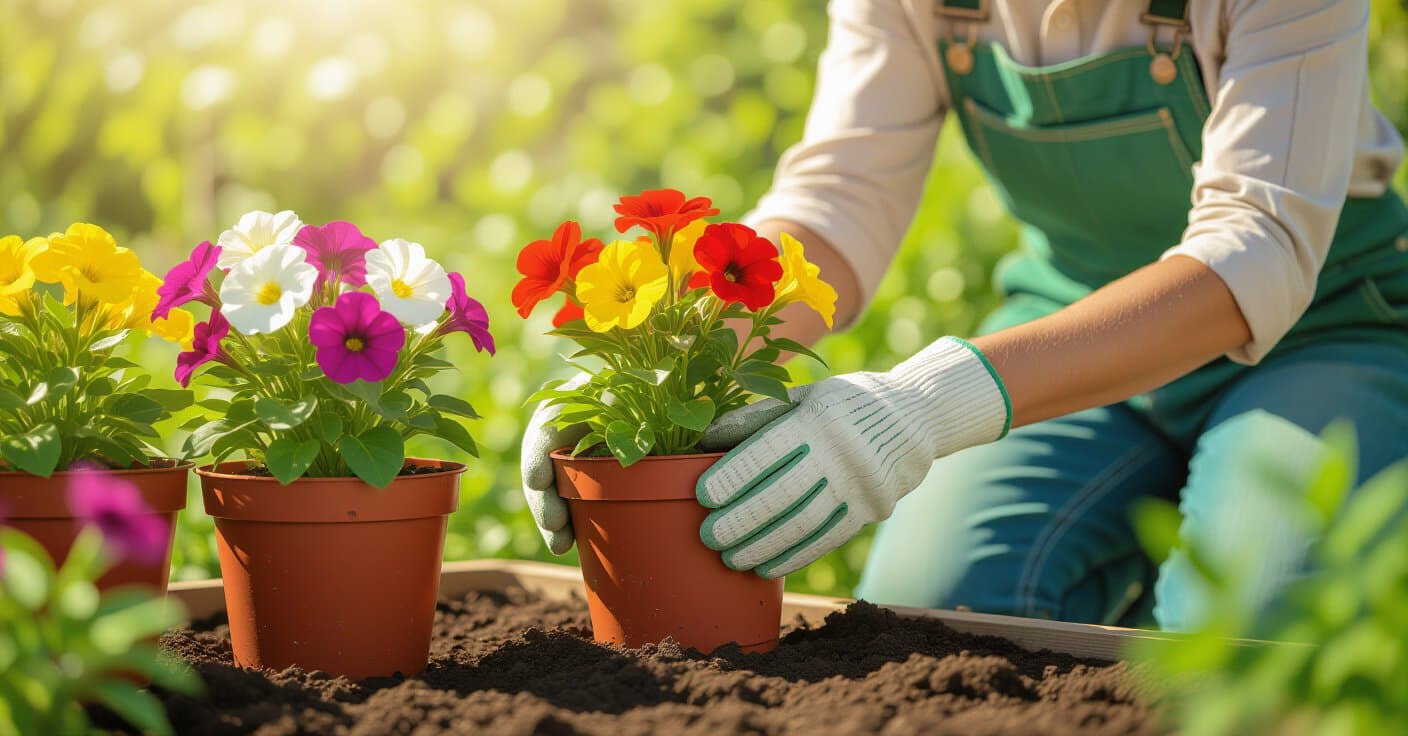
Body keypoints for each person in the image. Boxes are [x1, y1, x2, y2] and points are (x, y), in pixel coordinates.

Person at [522, 0, 1408, 631]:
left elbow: (1256, 246)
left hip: (1328, 328)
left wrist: (923, 404)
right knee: (931, 613)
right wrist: (663, 364)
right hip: (1070, 328)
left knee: (1257, 622)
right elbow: (838, 202)